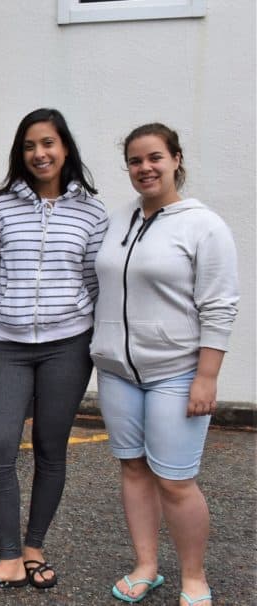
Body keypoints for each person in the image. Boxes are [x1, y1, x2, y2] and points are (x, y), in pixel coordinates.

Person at [0, 108, 108, 592]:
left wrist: (97, 348)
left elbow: (95, 286)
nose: (39, 153)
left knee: (49, 447)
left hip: (68, 347)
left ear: (65, 149)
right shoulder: (0, 210)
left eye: (48, 143)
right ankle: (8, 558)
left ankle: (33, 548)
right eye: (29, 146)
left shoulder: (92, 212)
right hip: (7, 345)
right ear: (19, 154)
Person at [92, 124, 237, 606]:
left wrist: (207, 377)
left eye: (155, 157)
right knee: (133, 468)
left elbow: (219, 306)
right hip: (117, 371)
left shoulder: (204, 225)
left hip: (176, 372)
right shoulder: (118, 219)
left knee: (175, 481)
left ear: (176, 159)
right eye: (135, 161)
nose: (145, 168)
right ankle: (146, 567)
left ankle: (194, 577)